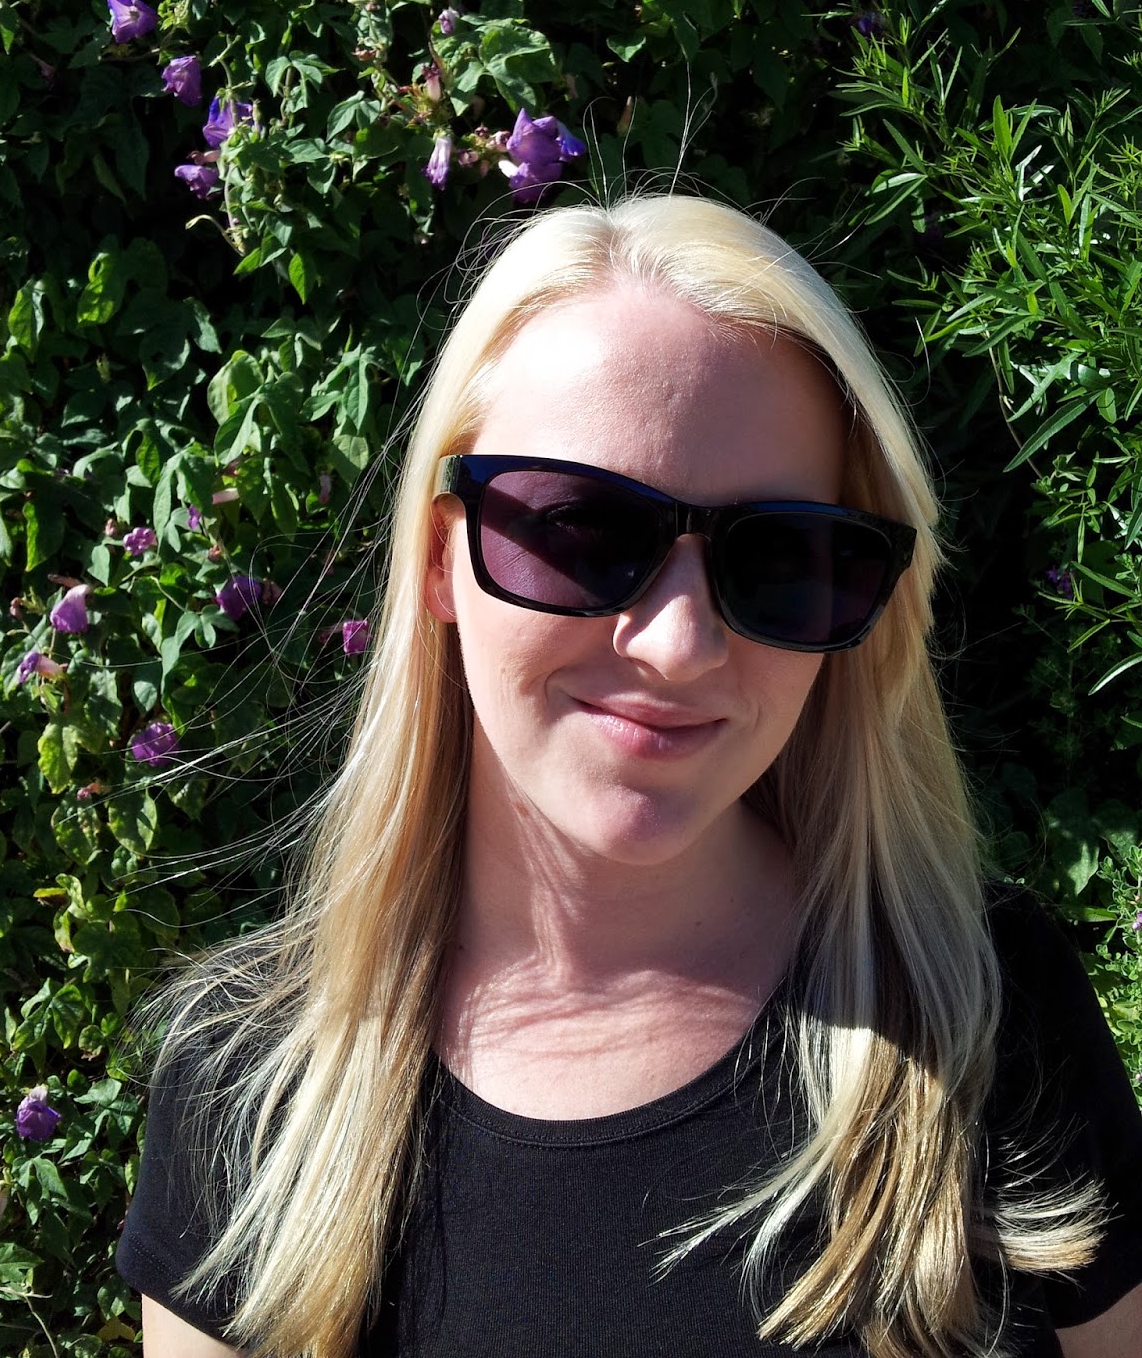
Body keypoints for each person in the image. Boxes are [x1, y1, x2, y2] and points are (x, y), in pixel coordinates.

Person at [118, 195, 1142, 1358]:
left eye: (780, 557)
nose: (680, 644)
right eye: (582, 530)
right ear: (442, 554)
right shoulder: (254, 1089)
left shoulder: (982, 1014)